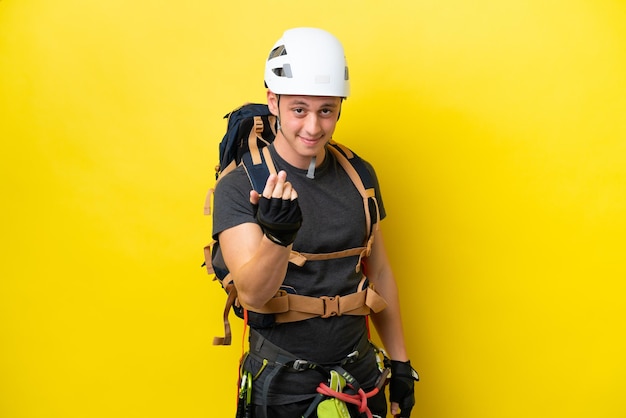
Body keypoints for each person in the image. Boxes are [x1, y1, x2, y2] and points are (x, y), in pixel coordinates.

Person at [212, 27, 417, 417]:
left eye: (327, 110)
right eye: (299, 109)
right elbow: (254, 294)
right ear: (273, 101)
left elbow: (382, 271)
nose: (313, 127)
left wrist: (401, 364)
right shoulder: (242, 186)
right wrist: (277, 235)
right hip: (282, 387)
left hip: (360, 379)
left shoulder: (359, 177)